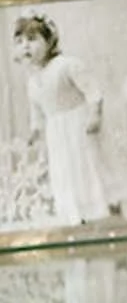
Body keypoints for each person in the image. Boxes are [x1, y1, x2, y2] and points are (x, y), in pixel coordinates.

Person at [12, 14, 115, 227]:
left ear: (49, 41)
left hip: (78, 125)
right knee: (64, 170)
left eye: (32, 39)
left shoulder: (66, 65)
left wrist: (95, 114)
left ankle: (95, 208)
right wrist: (34, 132)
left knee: (83, 166)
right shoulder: (32, 82)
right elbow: (37, 112)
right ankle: (74, 213)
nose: (26, 46)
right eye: (20, 42)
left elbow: (92, 91)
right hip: (56, 132)